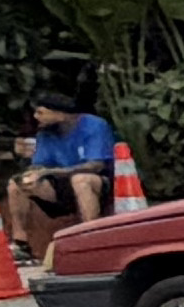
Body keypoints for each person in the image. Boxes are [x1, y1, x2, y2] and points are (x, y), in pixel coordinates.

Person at [17, 90, 119, 257]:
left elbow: (96, 165)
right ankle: (21, 243)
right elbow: (39, 164)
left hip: (99, 181)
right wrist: (31, 174)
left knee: (80, 180)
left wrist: (49, 171)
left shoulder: (94, 125)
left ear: (60, 114)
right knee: (17, 184)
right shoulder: (46, 132)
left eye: (41, 112)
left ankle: (91, 237)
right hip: (61, 183)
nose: (36, 117)